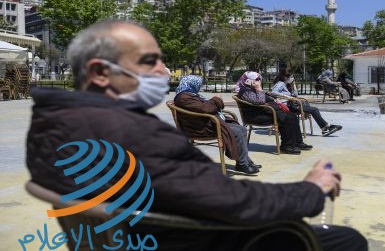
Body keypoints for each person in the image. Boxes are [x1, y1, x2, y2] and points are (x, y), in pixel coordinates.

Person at [26, 20, 367, 251]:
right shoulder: (132, 135)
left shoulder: (52, 124)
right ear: (101, 73)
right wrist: (310, 190)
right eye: (150, 62)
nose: (164, 71)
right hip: (206, 240)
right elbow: (236, 202)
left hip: (155, 235)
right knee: (347, 239)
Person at [174, 75, 260, 174]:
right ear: (191, 83)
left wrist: (214, 101)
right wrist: (216, 99)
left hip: (206, 123)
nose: (199, 86)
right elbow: (206, 109)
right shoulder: (183, 97)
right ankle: (242, 164)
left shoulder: (188, 94)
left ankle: (244, 160)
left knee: (241, 129)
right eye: (198, 84)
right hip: (200, 128)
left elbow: (204, 107)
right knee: (237, 131)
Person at [237, 71, 313, 154]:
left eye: (259, 79)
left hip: (263, 112)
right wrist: (259, 89)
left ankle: (297, 142)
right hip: (255, 116)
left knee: (292, 116)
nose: (259, 81)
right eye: (257, 79)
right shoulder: (245, 91)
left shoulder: (251, 89)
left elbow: (266, 96)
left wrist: (273, 98)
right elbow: (259, 101)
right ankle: (286, 146)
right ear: (248, 80)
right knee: (288, 118)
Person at [271, 70, 343, 136]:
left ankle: (325, 128)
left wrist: (294, 85)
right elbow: (273, 92)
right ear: (285, 77)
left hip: (292, 105)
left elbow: (295, 95)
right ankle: (326, 127)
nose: (293, 78)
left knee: (314, 109)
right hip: (286, 106)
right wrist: (287, 97)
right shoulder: (281, 83)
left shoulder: (287, 85)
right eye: (291, 77)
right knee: (314, 110)